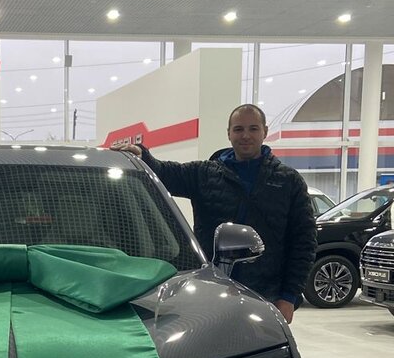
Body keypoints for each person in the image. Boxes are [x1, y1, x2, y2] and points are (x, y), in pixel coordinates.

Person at [111, 104, 317, 323]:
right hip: (211, 290)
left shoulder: (288, 181)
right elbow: (165, 173)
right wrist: (142, 156)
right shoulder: (204, 174)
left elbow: (304, 242)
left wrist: (289, 296)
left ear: (265, 131)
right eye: (238, 129)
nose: (245, 135)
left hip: (267, 295)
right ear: (228, 133)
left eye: (253, 128)